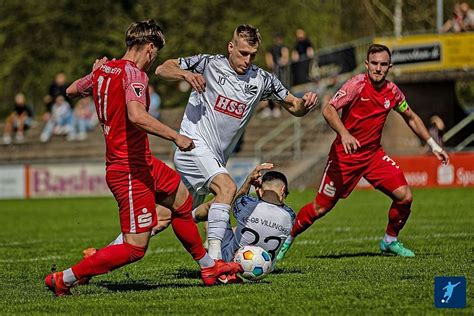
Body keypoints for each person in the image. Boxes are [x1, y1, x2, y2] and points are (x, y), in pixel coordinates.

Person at [44, 20, 241, 297]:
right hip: (127, 169)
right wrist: (176, 136)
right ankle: (64, 278)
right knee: (135, 248)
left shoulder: (105, 69)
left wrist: (95, 73)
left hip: (142, 162)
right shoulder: (134, 74)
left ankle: (208, 267)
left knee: (182, 200)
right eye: (155, 54)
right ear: (149, 48)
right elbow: (137, 116)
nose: (153, 60)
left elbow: (72, 90)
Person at [154, 24, 318, 261]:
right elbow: (162, 68)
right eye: (242, 53)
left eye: (252, 55)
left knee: (163, 217)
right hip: (192, 146)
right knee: (227, 188)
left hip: (213, 160)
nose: (247, 60)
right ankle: (215, 261)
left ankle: (106, 253)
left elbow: (294, 106)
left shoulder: (262, 79)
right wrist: (186, 74)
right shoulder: (208, 64)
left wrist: (306, 103)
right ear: (230, 47)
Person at [277, 44, 449, 261]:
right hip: (344, 156)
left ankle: (389, 241)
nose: (378, 68)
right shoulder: (356, 85)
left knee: (404, 197)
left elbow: (411, 117)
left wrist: (433, 145)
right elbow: (328, 109)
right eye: (374, 63)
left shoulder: (393, 92)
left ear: (389, 67)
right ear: (367, 64)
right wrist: (345, 133)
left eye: (383, 64)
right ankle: (288, 238)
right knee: (320, 208)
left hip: (373, 156)